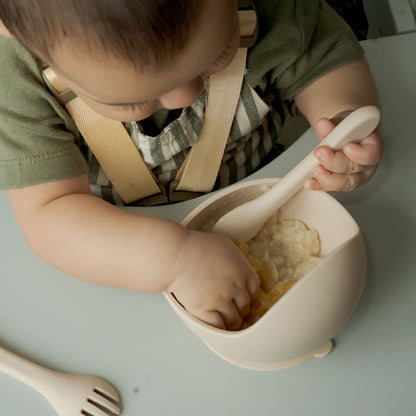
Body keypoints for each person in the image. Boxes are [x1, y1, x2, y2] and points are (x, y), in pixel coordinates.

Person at [0, 0, 383, 331]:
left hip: (259, 178)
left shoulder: (269, 8)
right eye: (132, 102)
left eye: (218, 55)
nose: (186, 95)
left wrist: (342, 124)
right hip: (115, 232)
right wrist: (175, 260)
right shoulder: (15, 77)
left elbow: (324, 57)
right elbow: (49, 215)